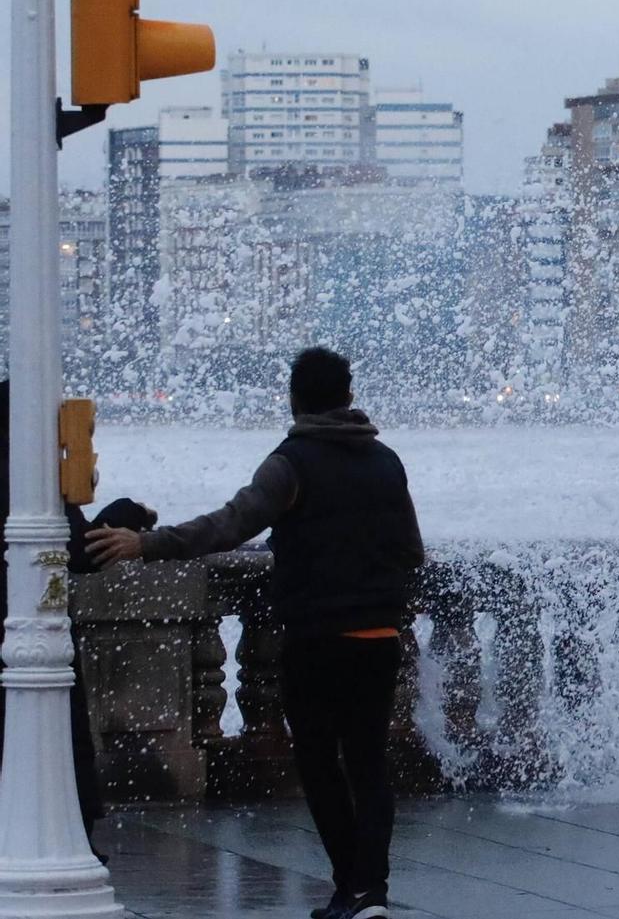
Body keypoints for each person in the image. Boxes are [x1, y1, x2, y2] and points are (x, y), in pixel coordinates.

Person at [88, 348, 424, 919]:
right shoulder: (386, 462)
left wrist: (146, 543)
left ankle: (353, 886)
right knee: (369, 767)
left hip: (317, 638)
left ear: (294, 399)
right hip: (378, 637)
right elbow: (410, 551)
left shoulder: (290, 464)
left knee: (319, 765)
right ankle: (370, 889)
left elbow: (229, 524)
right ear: (349, 395)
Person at [0, 380, 156, 858]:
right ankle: (67, 838)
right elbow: (76, 550)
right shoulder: (31, 478)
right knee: (56, 735)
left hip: (15, 629)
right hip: (33, 628)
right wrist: (128, 515)